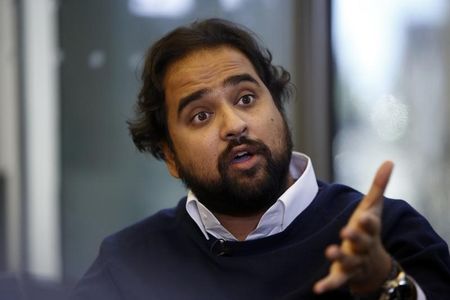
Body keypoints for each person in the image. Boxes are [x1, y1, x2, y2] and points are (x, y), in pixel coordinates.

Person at [71, 18, 450, 299]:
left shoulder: (383, 231)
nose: (234, 124)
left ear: (279, 109)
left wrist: (384, 281)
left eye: (246, 99)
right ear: (170, 156)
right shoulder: (128, 264)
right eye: (201, 115)